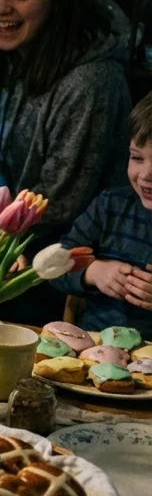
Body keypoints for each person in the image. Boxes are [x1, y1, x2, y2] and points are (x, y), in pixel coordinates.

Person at [0, 0, 131, 323]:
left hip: (64, 273)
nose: (1, 7)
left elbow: (59, 202)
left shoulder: (90, 81)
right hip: (10, 248)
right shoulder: (7, 56)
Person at [50, 92, 152, 335]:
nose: (146, 174)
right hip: (94, 350)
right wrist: (94, 272)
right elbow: (55, 263)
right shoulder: (110, 207)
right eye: (137, 157)